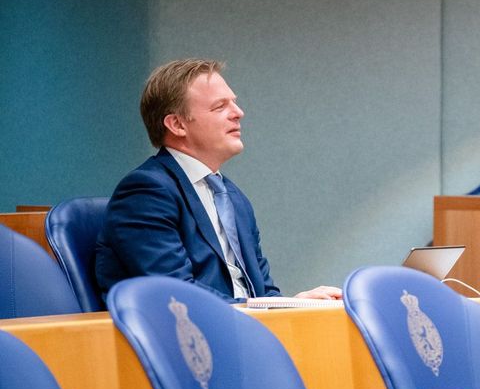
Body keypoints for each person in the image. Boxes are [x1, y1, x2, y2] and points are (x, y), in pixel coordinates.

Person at [95, 59, 342, 302]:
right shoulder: (146, 192)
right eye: (220, 106)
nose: (238, 113)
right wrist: (261, 310)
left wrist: (294, 304)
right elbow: (178, 296)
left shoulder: (233, 197)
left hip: (239, 329)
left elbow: (261, 293)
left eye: (234, 103)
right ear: (177, 124)